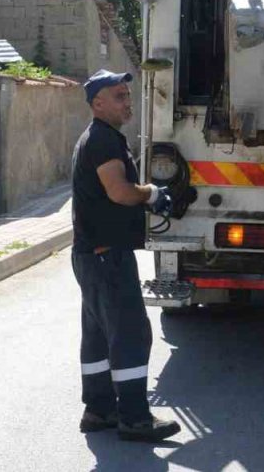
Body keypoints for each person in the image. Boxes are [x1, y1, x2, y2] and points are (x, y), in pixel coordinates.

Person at [71, 68, 180, 441]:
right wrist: (151, 194)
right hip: (105, 256)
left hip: (93, 255)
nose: (126, 102)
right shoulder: (102, 140)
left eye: (126, 95)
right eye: (118, 96)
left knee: (99, 336)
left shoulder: (100, 137)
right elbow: (118, 191)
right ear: (97, 103)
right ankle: (134, 418)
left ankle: (99, 410)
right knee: (131, 333)